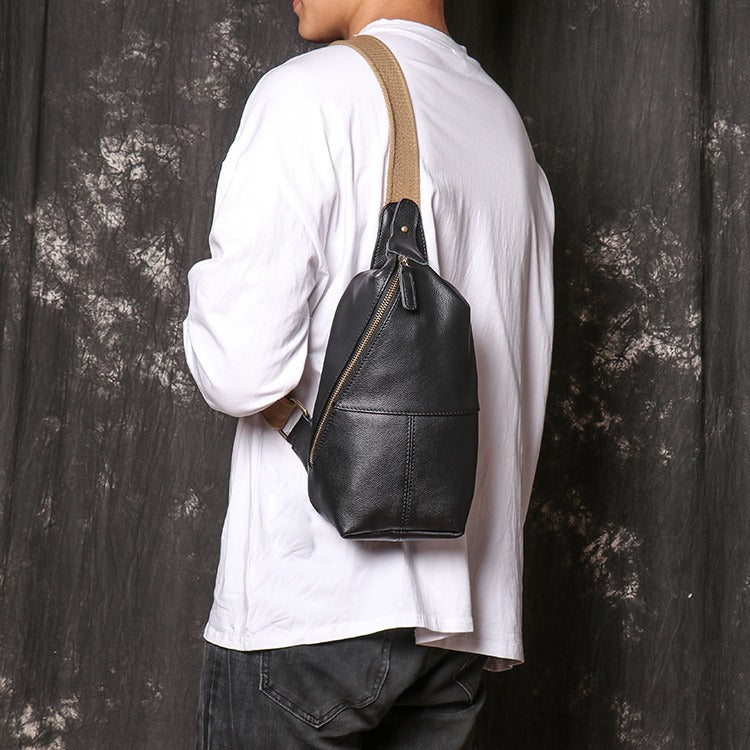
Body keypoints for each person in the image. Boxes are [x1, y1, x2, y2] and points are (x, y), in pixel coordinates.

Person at [182, 0, 554, 747]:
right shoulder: (502, 124)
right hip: (463, 624)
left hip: (313, 607)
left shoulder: (308, 95)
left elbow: (240, 371)